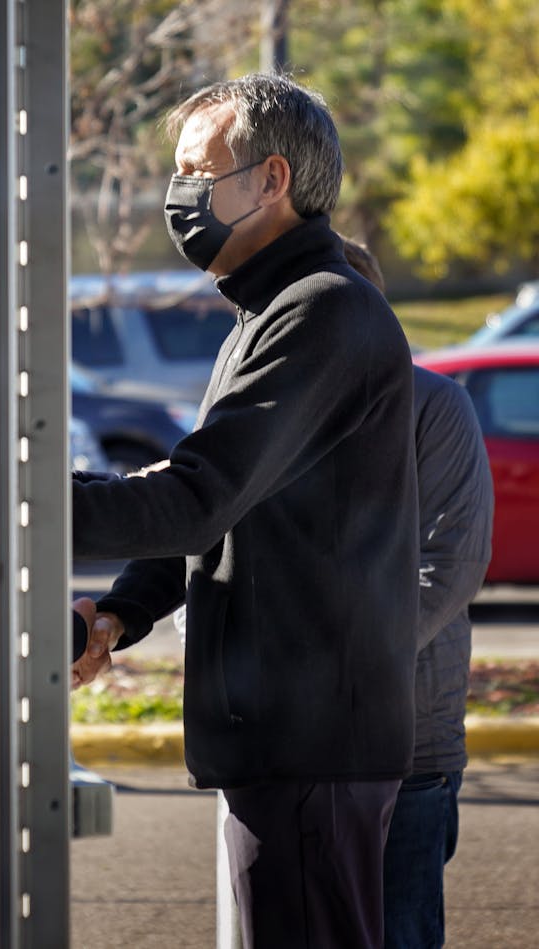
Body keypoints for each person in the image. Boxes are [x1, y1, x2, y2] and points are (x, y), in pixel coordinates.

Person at [70, 73, 420, 948]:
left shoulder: (322, 311)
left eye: (196, 170)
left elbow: (195, 502)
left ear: (272, 180)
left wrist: (10, 503)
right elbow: (227, 500)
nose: (176, 196)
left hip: (310, 745)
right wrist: (122, 611)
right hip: (287, 741)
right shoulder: (270, 311)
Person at [341, 237, 494, 948]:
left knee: (400, 933)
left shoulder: (435, 406)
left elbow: (452, 565)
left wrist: (343, 663)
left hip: (409, 748)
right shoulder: (269, 409)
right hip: (287, 746)